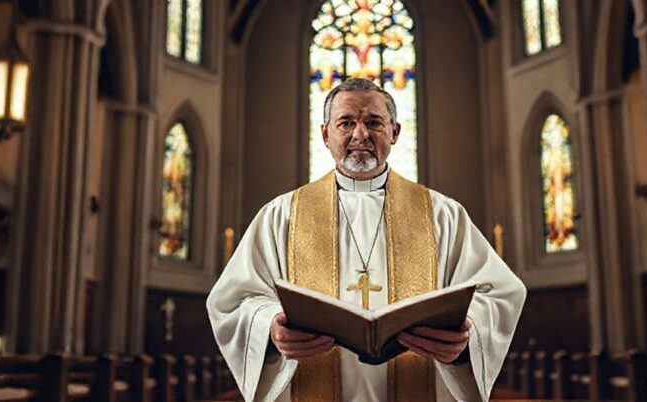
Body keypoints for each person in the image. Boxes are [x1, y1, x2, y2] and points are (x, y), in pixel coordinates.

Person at [207, 78, 526, 402]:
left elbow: (499, 292)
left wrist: (468, 333)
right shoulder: (282, 215)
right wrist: (270, 328)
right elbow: (234, 300)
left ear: (395, 132)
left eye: (374, 122)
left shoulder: (443, 215)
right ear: (325, 134)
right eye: (346, 123)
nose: (360, 134)